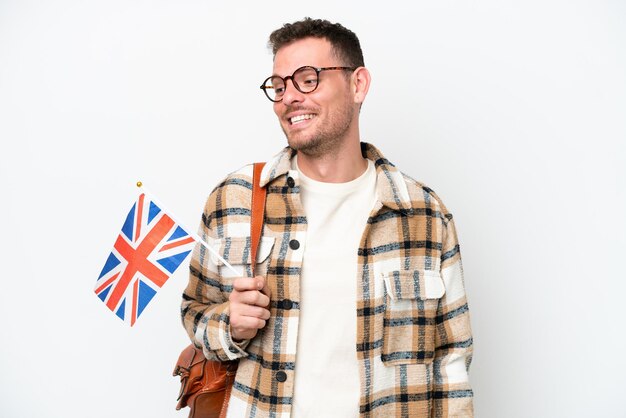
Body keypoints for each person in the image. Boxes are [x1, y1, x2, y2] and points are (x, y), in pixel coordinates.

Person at [181, 17, 473, 417]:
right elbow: (195, 311)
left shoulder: (423, 214)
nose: (288, 98)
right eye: (279, 86)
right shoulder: (236, 199)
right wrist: (230, 326)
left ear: (358, 85)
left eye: (307, 79)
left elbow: (452, 363)